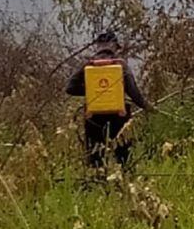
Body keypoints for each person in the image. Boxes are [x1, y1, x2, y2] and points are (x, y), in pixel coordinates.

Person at [65, 31, 154, 170]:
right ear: (115, 47)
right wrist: (149, 108)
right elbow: (134, 93)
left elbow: (70, 88)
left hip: (94, 118)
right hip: (119, 118)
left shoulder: (88, 65)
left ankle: (96, 183)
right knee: (123, 156)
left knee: (95, 157)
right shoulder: (121, 65)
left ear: (97, 47)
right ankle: (124, 181)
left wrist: (93, 93)